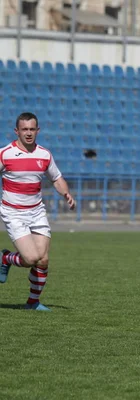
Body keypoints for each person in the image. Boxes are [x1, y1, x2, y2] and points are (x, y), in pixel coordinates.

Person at [0, 112, 76, 311]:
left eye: (32, 129)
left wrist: (66, 193)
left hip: (36, 212)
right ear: (17, 131)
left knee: (43, 260)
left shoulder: (44, 154)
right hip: (14, 213)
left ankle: (32, 303)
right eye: (24, 129)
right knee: (31, 258)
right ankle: (5, 258)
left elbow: (56, 178)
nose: (28, 133)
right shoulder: (5, 153)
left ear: (37, 130)